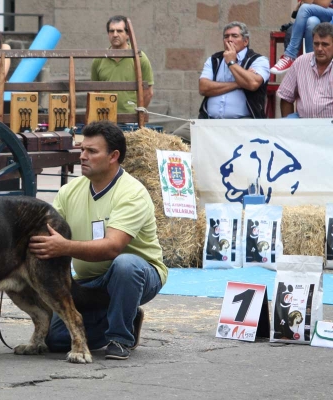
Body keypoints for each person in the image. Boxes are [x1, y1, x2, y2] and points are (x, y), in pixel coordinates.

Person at [29, 121, 167, 360]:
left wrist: (64, 247)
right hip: (87, 283)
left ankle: (120, 337)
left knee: (126, 265)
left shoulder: (132, 193)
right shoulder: (69, 191)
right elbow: (45, 232)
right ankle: (124, 315)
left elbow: (112, 247)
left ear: (114, 156)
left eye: (92, 151)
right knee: (55, 340)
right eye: (82, 149)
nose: (82, 156)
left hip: (138, 275)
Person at [172, 22, 270, 142]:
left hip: (244, 122)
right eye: (226, 36)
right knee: (176, 138)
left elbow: (253, 84)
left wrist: (231, 63)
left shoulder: (259, 60)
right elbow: (204, 88)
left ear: (246, 41)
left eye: (234, 36)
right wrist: (238, 83)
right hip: (209, 121)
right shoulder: (214, 60)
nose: (229, 40)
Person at [91, 15, 154, 114]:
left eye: (119, 31)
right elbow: (95, 92)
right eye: (111, 31)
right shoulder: (99, 59)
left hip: (130, 119)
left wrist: (136, 114)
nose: (115, 34)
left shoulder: (139, 58)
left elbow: (148, 93)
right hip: (104, 116)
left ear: (128, 34)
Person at [277, 22, 333, 117]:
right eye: (316, 44)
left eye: (325, 44)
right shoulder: (300, 62)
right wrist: (290, 127)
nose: (319, 48)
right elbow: (286, 97)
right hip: (303, 125)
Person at [271, 0, 333, 74]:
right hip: (321, 13)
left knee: (305, 8)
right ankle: (312, 63)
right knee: (312, 22)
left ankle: (290, 55)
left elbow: (324, 3)